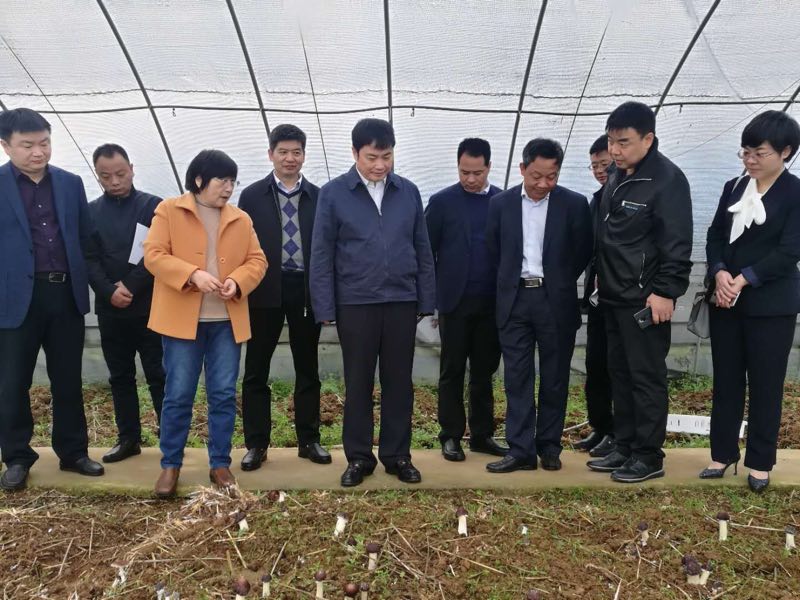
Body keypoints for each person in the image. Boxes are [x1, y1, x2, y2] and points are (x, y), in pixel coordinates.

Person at [310, 118, 436, 487]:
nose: (380, 165)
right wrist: (325, 307)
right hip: (356, 302)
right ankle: (359, 458)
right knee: (358, 382)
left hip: (401, 300)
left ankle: (398, 456)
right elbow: (322, 253)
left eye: (387, 156)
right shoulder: (334, 194)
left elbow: (422, 247)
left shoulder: (408, 192)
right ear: (355, 153)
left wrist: (426, 299)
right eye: (372, 157)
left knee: (399, 382)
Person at [144, 150, 267, 499]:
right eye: (221, 181)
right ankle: (171, 464)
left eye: (232, 181)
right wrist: (191, 274)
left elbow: (258, 260)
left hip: (226, 321)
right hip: (183, 322)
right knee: (178, 394)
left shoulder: (240, 218)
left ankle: (220, 464)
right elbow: (153, 255)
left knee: (223, 394)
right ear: (199, 180)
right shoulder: (170, 210)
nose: (228, 188)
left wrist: (238, 281)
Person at [0, 108, 104, 491]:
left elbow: (85, 238)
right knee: (12, 382)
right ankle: (17, 457)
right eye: (27, 145)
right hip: (14, 299)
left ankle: (73, 453)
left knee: (67, 379)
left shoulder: (70, 184)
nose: (38, 152)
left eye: (44, 143)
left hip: (63, 293)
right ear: (6, 145)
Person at [588, 101, 693, 483]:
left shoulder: (667, 180)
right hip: (613, 296)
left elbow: (677, 243)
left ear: (648, 139)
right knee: (620, 373)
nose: (614, 151)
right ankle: (625, 444)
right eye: (611, 142)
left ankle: (648, 455)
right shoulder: (618, 175)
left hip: (645, 299)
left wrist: (665, 291)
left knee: (646, 377)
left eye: (624, 142)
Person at [701, 111, 800, 493]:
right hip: (727, 301)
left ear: (785, 151)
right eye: (745, 152)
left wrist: (744, 278)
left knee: (765, 384)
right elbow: (715, 235)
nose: (750, 160)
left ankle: (759, 461)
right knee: (726, 380)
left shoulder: (793, 192)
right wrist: (719, 273)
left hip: (771, 305)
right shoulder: (734, 186)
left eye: (759, 153)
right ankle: (722, 453)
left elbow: (789, 250)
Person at [485, 138, 592, 473]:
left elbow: (583, 250)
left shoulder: (574, 204)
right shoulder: (500, 204)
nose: (543, 183)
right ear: (522, 169)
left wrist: (558, 280)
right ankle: (520, 450)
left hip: (554, 300)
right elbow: (494, 250)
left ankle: (549, 446)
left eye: (551, 177)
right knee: (517, 376)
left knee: (555, 376)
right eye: (536, 176)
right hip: (515, 300)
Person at [238, 124, 330, 471]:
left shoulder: (319, 197)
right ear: (271, 154)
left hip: (304, 290)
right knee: (256, 369)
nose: (290, 158)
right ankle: (256, 444)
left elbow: (327, 248)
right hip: (265, 288)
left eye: (296, 152)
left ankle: (309, 440)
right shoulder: (252, 196)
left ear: (304, 155)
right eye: (283, 152)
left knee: (307, 367)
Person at [425, 138, 506, 462]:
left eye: (477, 172)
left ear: (489, 167)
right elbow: (426, 251)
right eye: (464, 172)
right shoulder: (442, 202)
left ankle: (482, 435)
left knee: (484, 371)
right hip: (455, 302)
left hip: (492, 302)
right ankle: (451, 435)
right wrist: (432, 296)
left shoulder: (503, 202)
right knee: (452, 369)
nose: (470, 179)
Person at [84, 144, 165, 463]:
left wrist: (130, 285)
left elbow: (158, 253)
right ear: (97, 176)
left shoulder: (152, 207)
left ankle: (171, 440)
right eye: (106, 176)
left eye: (120, 173)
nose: (115, 181)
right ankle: (128, 438)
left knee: (159, 374)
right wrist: (108, 291)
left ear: (132, 168)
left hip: (149, 306)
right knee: (120, 376)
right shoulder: (90, 212)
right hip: (111, 310)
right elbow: (89, 258)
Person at [575, 135, 615, 457]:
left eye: (605, 164)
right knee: (596, 364)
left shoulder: (625, 197)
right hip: (598, 298)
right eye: (594, 165)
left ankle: (616, 432)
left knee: (616, 368)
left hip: (621, 298)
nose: (600, 170)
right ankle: (600, 426)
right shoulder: (596, 201)